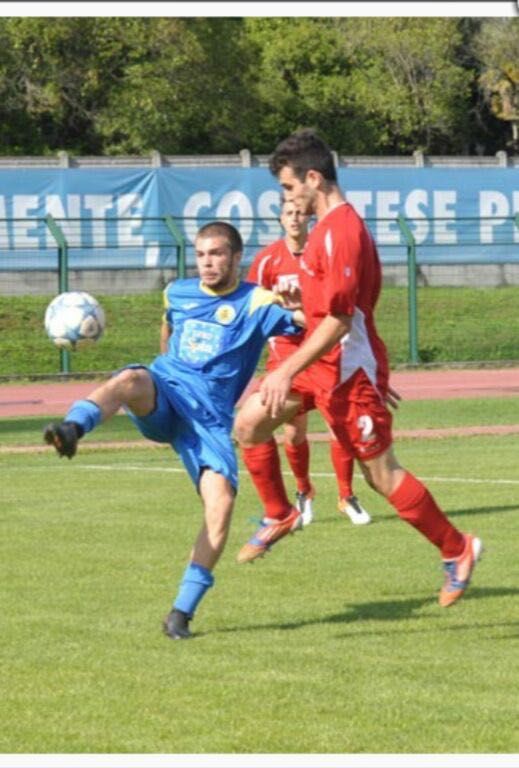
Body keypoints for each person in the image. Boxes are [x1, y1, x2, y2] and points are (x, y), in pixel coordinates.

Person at [234, 129, 482, 608]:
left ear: (313, 178)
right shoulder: (324, 231)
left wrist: (289, 371)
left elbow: (343, 320)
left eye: (289, 188)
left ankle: (458, 548)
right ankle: (280, 513)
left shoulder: (342, 231)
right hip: (319, 363)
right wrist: (294, 305)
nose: (287, 199)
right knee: (248, 424)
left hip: (347, 371)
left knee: (381, 476)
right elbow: (326, 310)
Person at [44, 221, 304, 639]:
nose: (207, 262)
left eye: (217, 253)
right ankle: (73, 428)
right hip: (165, 395)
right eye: (201, 254)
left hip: (210, 423)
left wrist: (299, 302)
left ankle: (180, 613)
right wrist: (167, 369)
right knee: (132, 379)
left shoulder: (256, 301)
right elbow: (168, 328)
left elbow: (310, 324)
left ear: (237, 258)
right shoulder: (177, 292)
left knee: (220, 509)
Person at [247, 197, 371, 526]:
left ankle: (346, 496)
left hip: (324, 350)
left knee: (339, 425)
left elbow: (337, 301)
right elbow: (253, 303)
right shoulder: (267, 259)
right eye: (289, 213)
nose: (295, 218)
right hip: (287, 352)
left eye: (301, 212)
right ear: (280, 219)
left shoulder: (321, 253)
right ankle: (303, 491)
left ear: (309, 217)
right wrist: (288, 311)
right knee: (293, 429)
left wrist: (308, 309)